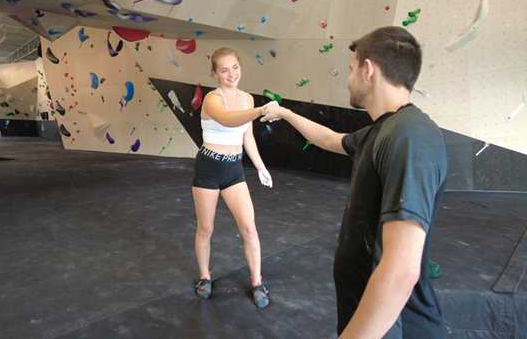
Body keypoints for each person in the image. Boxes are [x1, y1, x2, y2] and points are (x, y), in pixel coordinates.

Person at [261, 26, 448, 338]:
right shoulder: (384, 131)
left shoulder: (410, 137)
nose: (348, 79)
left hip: (391, 327)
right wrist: (285, 113)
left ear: (368, 69)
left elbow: (401, 270)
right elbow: (332, 140)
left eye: (351, 70)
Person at [192, 47, 276, 309]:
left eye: (235, 67)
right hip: (208, 168)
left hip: (234, 170)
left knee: (250, 229)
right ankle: (205, 277)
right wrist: (262, 110)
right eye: (224, 69)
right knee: (206, 228)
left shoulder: (248, 99)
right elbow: (229, 121)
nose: (231, 74)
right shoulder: (211, 99)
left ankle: (257, 281)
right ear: (215, 73)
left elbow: (246, 135)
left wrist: (261, 167)